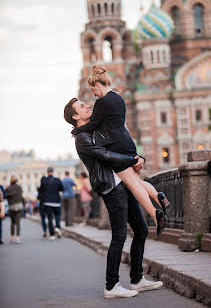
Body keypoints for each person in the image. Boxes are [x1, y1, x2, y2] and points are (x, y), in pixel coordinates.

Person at [64, 98, 163, 298]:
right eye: (81, 106)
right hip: (111, 187)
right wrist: (130, 161)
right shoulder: (82, 138)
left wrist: (137, 157)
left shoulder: (97, 129)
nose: (86, 106)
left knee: (141, 229)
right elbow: (105, 155)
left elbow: (119, 144)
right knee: (119, 235)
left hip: (124, 182)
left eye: (85, 103)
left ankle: (137, 279)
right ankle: (111, 286)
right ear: (75, 117)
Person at [71, 63, 169, 235]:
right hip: (128, 142)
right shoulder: (119, 98)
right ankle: (159, 196)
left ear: (97, 85)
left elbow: (93, 124)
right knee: (138, 181)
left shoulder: (102, 102)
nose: (93, 94)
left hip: (117, 147)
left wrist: (77, 130)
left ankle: (155, 214)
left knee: (132, 184)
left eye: (92, 89)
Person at [40, 167, 63, 240]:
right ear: (53, 172)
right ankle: (57, 227)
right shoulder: (57, 180)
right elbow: (62, 189)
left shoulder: (44, 180)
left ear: (47, 172)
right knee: (58, 215)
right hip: (56, 201)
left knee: (50, 218)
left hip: (47, 202)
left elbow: (41, 190)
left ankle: (52, 235)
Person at [5, 176, 24, 244]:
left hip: (12, 206)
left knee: (12, 222)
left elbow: (6, 197)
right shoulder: (19, 187)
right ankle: (18, 238)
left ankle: (12, 237)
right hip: (19, 206)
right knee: (18, 222)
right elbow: (21, 197)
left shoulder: (8, 188)